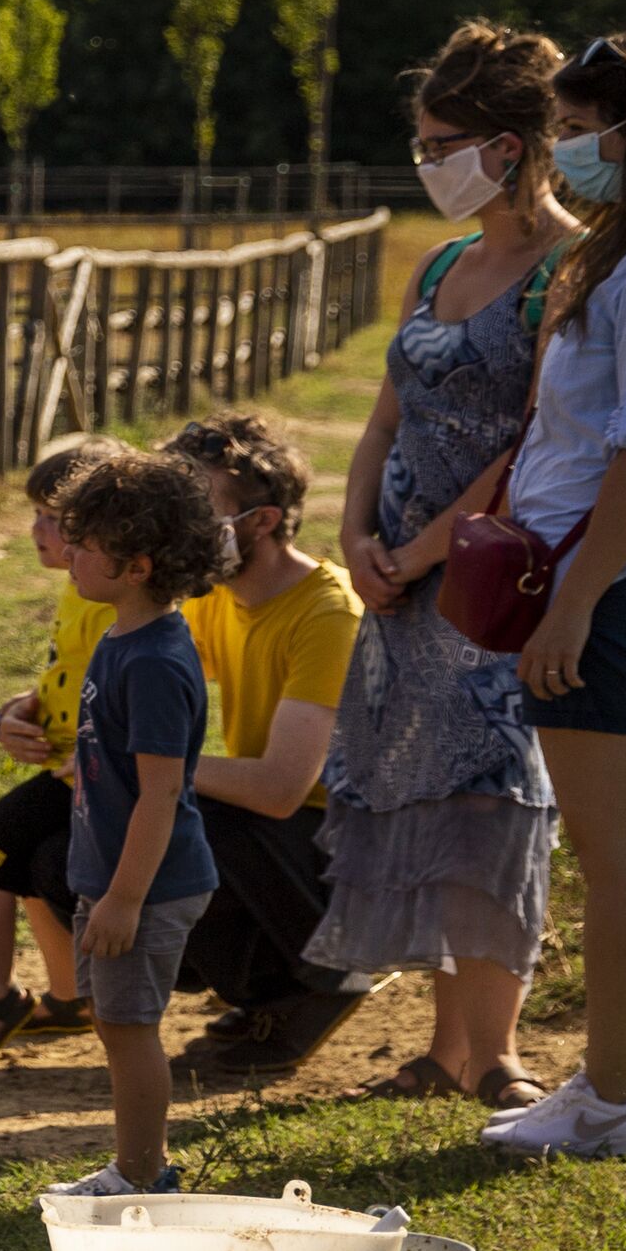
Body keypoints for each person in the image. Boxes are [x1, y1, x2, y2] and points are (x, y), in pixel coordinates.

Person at [320, 23, 573, 1110]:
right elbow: (387, 413)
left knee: (493, 796)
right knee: (422, 787)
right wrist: (352, 533)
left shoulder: (568, 269)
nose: (426, 162)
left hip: (484, 583)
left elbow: (536, 437)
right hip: (397, 584)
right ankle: (443, 1047)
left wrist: (425, 550)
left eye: (442, 143)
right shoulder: (439, 262)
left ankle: (497, 1051)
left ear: (509, 146)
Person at [482, 30, 626, 1161]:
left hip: (621, 584)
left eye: (580, 130)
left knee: (618, 854)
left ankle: (614, 1098)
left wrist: (573, 600)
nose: (565, 149)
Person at [42, 449, 230, 1198]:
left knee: (130, 1028)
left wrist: (123, 899)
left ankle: (143, 1175)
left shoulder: (153, 660)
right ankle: (135, 1167)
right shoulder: (121, 636)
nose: (70, 557)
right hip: (115, 876)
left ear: (136, 565)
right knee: (115, 1021)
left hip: (145, 885)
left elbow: (162, 794)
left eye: (85, 547)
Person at [163, 413, 368, 1086]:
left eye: (202, 512)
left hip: (339, 839)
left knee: (194, 823)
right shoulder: (213, 598)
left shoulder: (327, 612)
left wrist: (158, 771)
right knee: (71, 835)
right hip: (272, 825)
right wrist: (29, 713)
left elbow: (282, 787)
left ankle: (328, 974)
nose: (184, 531)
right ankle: (266, 992)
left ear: (262, 521)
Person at [0, 437, 126, 1062]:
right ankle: (68, 997)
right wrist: (18, 711)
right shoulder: (80, 586)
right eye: (38, 514)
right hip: (69, 768)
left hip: (103, 775)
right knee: (19, 858)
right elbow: (69, 673)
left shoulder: (121, 598)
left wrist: (102, 751)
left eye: (55, 518)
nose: (37, 531)